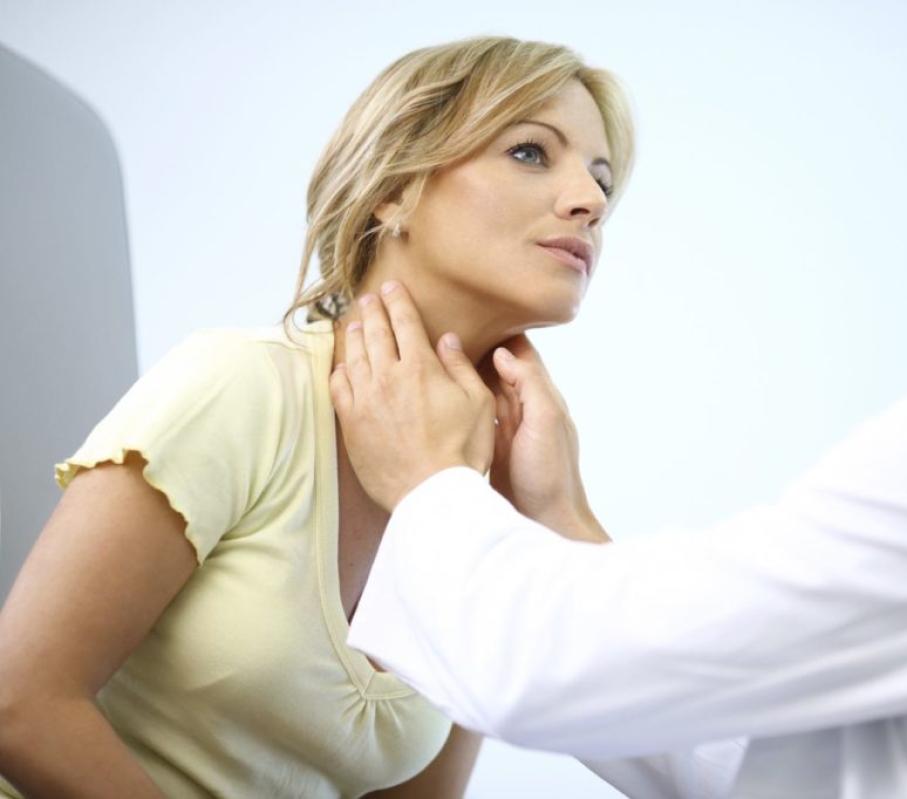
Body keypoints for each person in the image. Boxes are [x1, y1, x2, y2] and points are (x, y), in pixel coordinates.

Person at [333, 115, 907, 798]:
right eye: (530, 152)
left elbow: (554, 667)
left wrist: (432, 484)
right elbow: (781, 765)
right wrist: (558, 520)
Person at [0, 35, 633, 798]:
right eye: (532, 152)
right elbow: (19, 705)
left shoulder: (485, 502)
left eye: (602, 178)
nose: (591, 201)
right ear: (392, 188)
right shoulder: (242, 387)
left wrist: (554, 514)